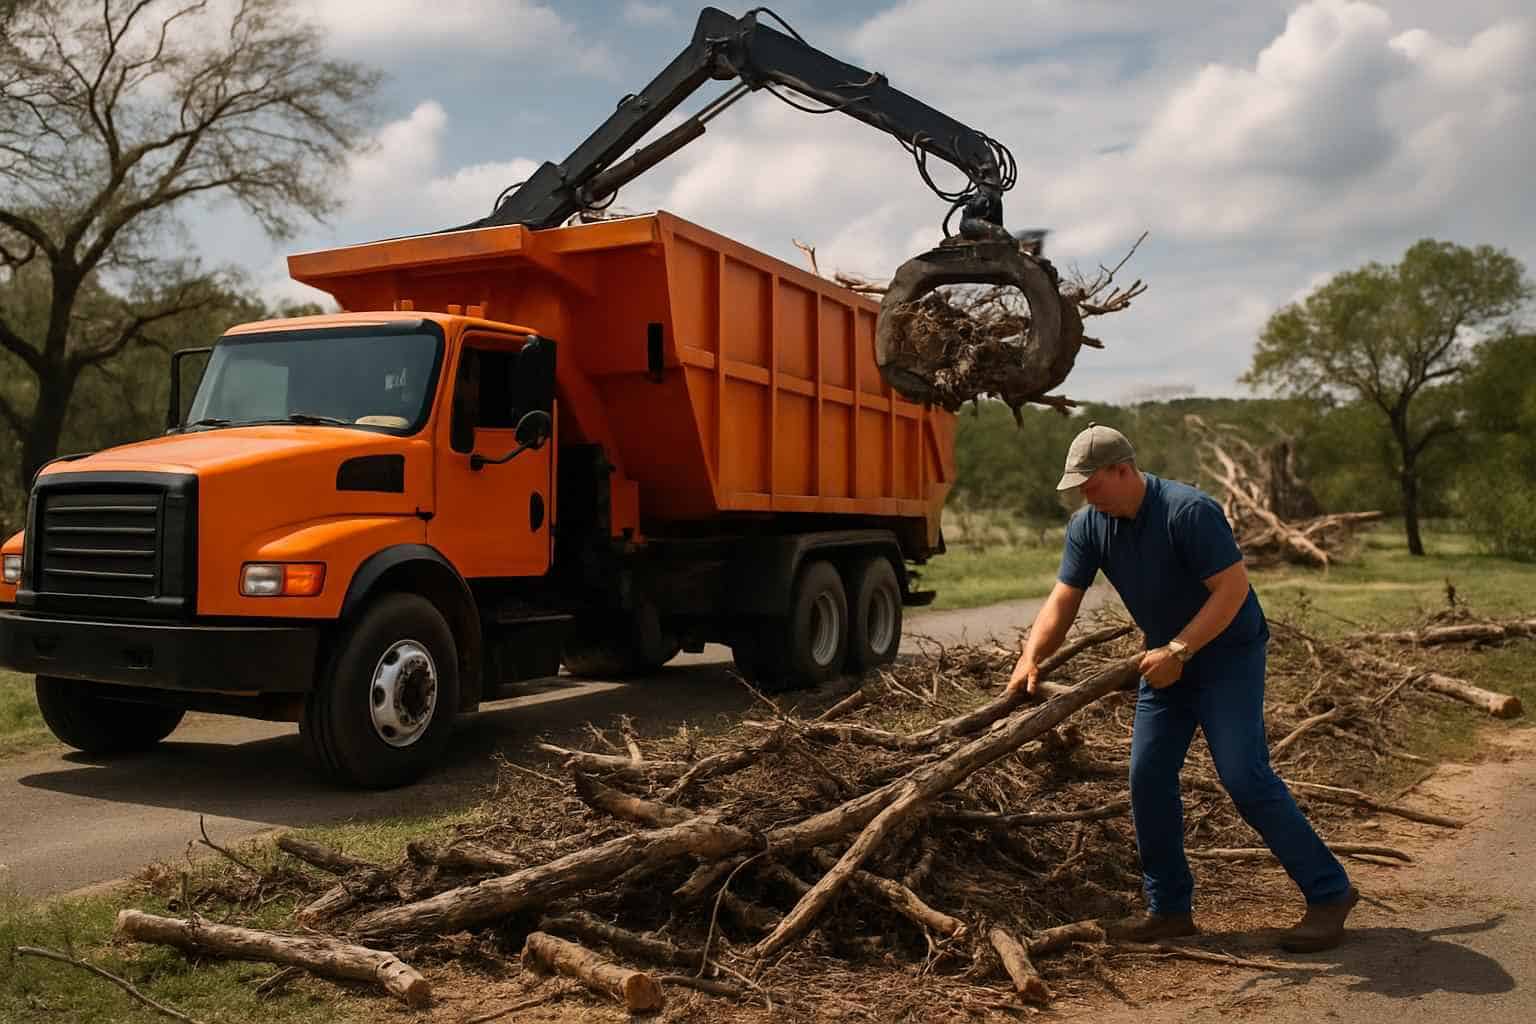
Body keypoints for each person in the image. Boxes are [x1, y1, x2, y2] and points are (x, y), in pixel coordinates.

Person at [1006, 423, 1359, 953]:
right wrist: (1031, 657)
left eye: (1091, 483)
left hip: (1227, 656)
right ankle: (1169, 909)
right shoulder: (1090, 525)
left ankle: (1330, 893)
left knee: (1243, 775)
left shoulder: (1188, 512)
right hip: (1166, 661)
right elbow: (1063, 600)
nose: (1085, 494)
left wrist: (1180, 650)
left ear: (1122, 471)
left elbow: (1233, 589)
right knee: (1147, 776)